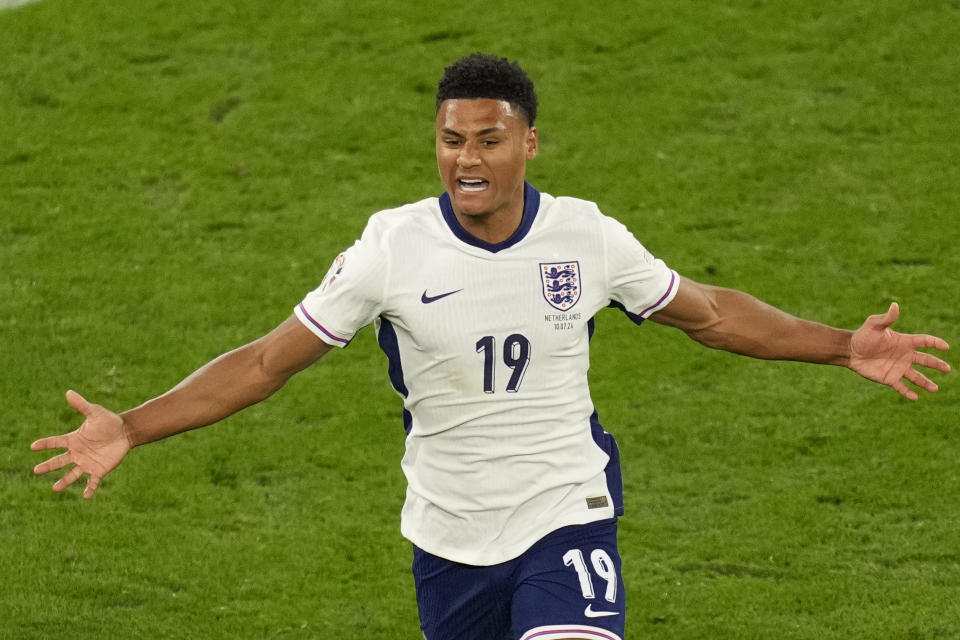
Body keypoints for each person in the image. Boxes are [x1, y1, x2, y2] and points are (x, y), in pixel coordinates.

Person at [32, 53, 950, 640]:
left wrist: (840, 348)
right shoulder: (390, 248)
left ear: (530, 144)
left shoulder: (587, 236)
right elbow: (269, 362)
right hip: (449, 534)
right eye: (449, 141)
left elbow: (706, 313)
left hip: (566, 507)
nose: (465, 159)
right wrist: (135, 428)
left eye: (487, 139)